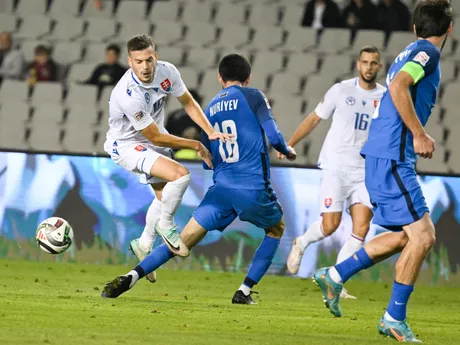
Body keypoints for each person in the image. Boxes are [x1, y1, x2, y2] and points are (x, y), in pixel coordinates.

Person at [101, 53, 297, 303]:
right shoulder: (254, 96)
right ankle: (244, 291)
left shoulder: (210, 108)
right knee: (276, 229)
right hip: (252, 186)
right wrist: (286, 150)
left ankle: (131, 276)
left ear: (219, 78)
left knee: (182, 241)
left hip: (221, 189)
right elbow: (275, 136)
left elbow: (209, 156)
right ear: (248, 78)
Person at [313, 1, 452, 342]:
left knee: (406, 237)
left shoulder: (409, 49)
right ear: (449, 29)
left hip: (380, 155)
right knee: (425, 236)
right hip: (392, 156)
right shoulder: (426, 54)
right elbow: (399, 86)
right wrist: (419, 133)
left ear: (416, 27)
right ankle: (393, 317)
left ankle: (335, 273)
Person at [103, 35, 230, 283]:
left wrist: (210, 130)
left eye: (149, 59)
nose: (145, 66)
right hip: (128, 146)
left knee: (164, 198)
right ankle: (167, 226)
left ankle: (144, 243)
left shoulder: (167, 72)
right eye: (138, 61)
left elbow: (188, 102)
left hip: (154, 141)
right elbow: (155, 137)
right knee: (181, 176)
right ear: (130, 62)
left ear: (155, 57)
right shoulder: (127, 93)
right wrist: (195, 144)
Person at [281, 46, 385, 299]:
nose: (369, 67)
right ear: (358, 64)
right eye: (365, 62)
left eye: (373, 63)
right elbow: (315, 118)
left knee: (361, 228)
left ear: (379, 67)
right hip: (336, 166)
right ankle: (301, 242)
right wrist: (289, 144)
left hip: (364, 170)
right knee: (330, 225)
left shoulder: (386, 96)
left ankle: (336, 280)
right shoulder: (341, 90)